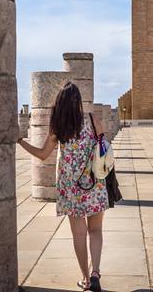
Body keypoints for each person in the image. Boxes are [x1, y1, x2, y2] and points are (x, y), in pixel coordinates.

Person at [18, 82, 107, 292]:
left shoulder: (59, 126)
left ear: (60, 103)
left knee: (79, 234)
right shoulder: (93, 120)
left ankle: (85, 279)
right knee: (96, 230)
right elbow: (103, 148)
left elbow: (42, 154)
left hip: (71, 187)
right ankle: (96, 274)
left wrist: (20, 140)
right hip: (94, 183)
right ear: (78, 103)